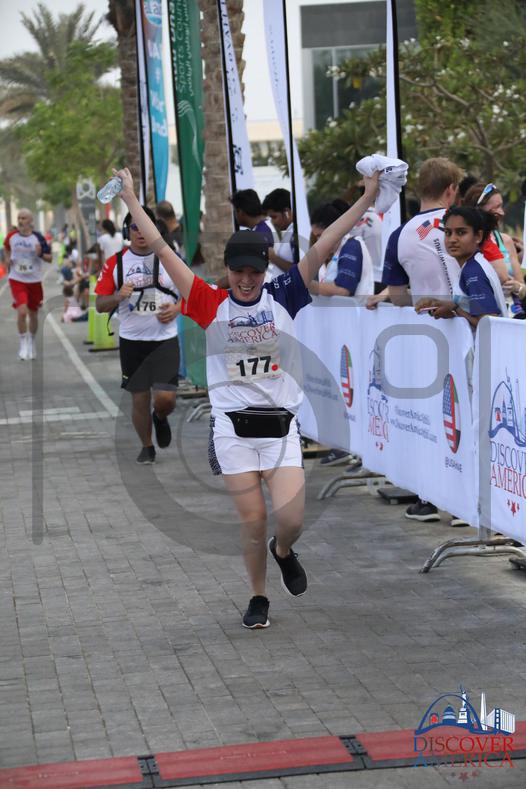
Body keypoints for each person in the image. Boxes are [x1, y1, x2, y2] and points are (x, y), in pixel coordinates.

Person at [113, 164, 379, 629]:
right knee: (254, 519)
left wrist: (368, 197)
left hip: (280, 429)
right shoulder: (208, 302)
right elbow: (160, 247)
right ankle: (258, 597)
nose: (247, 279)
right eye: (238, 271)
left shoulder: (284, 293)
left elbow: (326, 244)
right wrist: (131, 198)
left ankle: (284, 550)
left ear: (263, 269)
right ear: (228, 270)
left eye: (254, 271)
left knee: (291, 520)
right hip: (233, 432)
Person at [369, 157, 464, 524]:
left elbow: (397, 296)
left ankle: (430, 498)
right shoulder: (462, 225)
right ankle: (465, 505)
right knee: (464, 416)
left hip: (428, 337)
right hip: (469, 327)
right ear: (451, 189)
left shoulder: (400, 234)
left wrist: (419, 298)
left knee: (432, 418)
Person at [95, 207, 181, 464]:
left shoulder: (169, 258)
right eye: (135, 227)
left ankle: (161, 416)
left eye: (145, 226)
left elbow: (192, 293)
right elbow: (100, 305)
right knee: (140, 398)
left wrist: (177, 309)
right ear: (127, 231)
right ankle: (147, 446)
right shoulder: (116, 263)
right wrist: (118, 296)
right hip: (132, 343)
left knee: (165, 399)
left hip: (164, 340)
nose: (141, 232)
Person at [309, 202, 374, 466]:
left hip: (355, 332)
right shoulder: (337, 252)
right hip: (340, 335)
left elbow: (344, 289)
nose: (318, 242)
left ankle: (357, 448)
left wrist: (308, 285)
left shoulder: (351, 247)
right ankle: (345, 444)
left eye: (320, 235)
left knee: (353, 391)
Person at [416, 206, 506, 325]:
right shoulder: (471, 265)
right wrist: (443, 306)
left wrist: (455, 308)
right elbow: (471, 313)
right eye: (448, 233)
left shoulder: (473, 272)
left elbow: (487, 324)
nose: (452, 239)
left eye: (461, 232)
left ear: (478, 236)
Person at [463, 183, 525, 316]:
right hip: (481, 317)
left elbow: (523, 287)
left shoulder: (505, 241)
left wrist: (517, 287)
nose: (502, 212)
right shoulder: (465, 244)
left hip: (513, 316)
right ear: (478, 210)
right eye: (495, 208)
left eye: (501, 206)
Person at [4, 208, 52, 360]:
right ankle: (23, 342)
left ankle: (31, 342)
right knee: (22, 311)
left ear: (31, 221)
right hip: (17, 279)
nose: (20, 220)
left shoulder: (38, 238)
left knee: (33, 314)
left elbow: (49, 258)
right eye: (19, 218)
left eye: (23, 218)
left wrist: (40, 254)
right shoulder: (11, 236)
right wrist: (7, 259)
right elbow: (6, 248)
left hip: (34, 281)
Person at [261, 188, 296, 280]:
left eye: (274, 217)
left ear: (287, 212)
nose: (272, 222)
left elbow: (300, 271)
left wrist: (273, 257)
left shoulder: (295, 233)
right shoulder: (289, 232)